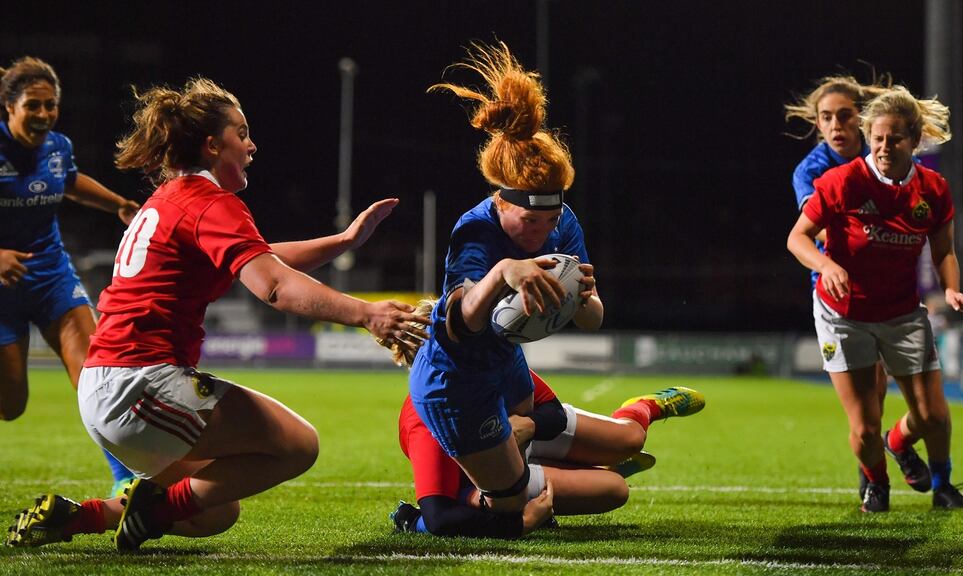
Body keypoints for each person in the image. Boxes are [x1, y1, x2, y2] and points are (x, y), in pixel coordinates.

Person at [5, 76, 430, 550]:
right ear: (212, 145)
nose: (252, 145)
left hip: (109, 387)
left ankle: (80, 516)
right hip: (139, 386)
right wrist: (368, 314)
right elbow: (271, 284)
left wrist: (344, 241)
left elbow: (261, 258)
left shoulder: (171, 199)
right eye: (241, 133)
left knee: (215, 510)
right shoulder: (209, 204)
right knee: (297, 445)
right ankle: (154, 507)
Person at [408, 40, 604, 526]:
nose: (543, 234)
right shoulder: (475, 229)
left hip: (505, 359)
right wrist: (501, 274)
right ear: (502, 203)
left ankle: (502, 469)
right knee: (515, 513)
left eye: (551, 220)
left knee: (611, 464)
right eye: (529, 223)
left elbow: (594, 319)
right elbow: (458, 324)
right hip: (458, 375)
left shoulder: (563, 222)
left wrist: (582, 297)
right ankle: (445, 504)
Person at [786, 85, 963, 512]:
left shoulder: (933, 189)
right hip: (842, 313)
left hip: (902, 312)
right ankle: (877, 482)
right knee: (865, 426)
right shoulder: (839, 180)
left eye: (895, 139)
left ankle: (937, 481)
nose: (885, 147)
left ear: (914, 140)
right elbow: (797, 238)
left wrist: (951, 288)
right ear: (868, 138)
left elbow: (943, 251)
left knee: (933, 417)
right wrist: (827, 265)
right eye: (878, 139)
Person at [386, 301, 705, 538]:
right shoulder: (425, 416)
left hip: (524, 436)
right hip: (479, 477)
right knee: (614, 488)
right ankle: (410, 520)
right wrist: (519, 523)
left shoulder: (491, 359)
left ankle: (644, 406)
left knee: (630, 440)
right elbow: (440, 515)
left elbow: (550, 409)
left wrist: (531, 426)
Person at [1, 56, 141, 496]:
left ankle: (127, 482)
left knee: (96, 378)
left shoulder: (58, 146)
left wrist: (118, 203)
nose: (43, 115)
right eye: (33, 106)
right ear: (9, 106)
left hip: (51, 278)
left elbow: (71, 181)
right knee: (10, 406)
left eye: (50, 106)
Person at [784, 74, 902, 499]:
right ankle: (873, 474)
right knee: (863, 394)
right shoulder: (812, 171)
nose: (836, 126)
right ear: (818, 124)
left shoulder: (885, 159)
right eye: (827, 118)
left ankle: (880, 461)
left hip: (887, 289)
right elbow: (811, 230)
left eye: (845, 116)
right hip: (836, 295)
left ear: (861, 119)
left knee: (881, 387)